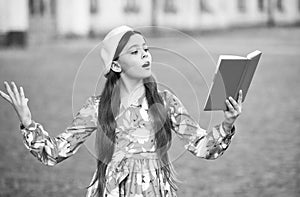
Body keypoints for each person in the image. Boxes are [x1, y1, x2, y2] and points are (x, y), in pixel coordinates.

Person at [0, 25, 242, 197]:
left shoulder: (165, 102)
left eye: (145, 50)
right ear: (115, 65)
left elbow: (203, 147)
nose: (145, 56)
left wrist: (227, 124)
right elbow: (54, 153)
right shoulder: (97, 107)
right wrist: (28, 122)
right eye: (134, 52)